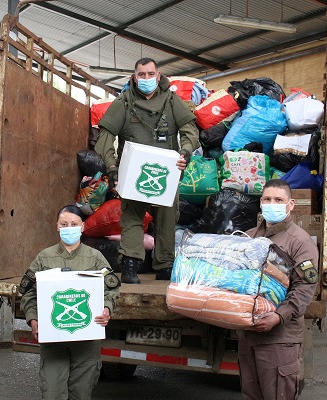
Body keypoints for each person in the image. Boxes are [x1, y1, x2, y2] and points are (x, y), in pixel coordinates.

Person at [95, 57, 200, 284]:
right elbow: (104, 138)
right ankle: (130, 264)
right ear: (134, 77)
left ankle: (165, 265)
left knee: (167, 218)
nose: (146, 79)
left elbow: (190, 131)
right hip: (133, 172)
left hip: (166, 172)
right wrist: (112, 168)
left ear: (158, 76)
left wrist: (185, 153)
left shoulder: (172, 101)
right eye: (141, 75)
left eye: (150, 74)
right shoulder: (124, 102)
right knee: (132, 217)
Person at [19, 205, 120, 400]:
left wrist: (107, 308)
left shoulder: (95, 258)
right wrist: (33, 318)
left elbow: (112, 288)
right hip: (53, 339)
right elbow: (28, 292)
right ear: (57, 226)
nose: (69, 228)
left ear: (82, 227)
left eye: (74, 224)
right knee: (52, 393)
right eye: (64, 224)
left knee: (81, 393)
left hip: (87, 339)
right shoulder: (44, 258)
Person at [238, 179, 320, 399]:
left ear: (290, 204)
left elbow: (305, 287)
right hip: (248, 335)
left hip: (279, 339)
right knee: (250, 394)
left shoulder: (300, 241)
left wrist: (278, 316)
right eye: (267, 199)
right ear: (260, 203)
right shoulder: (249, 236)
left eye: (278, 200)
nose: (271, 204)